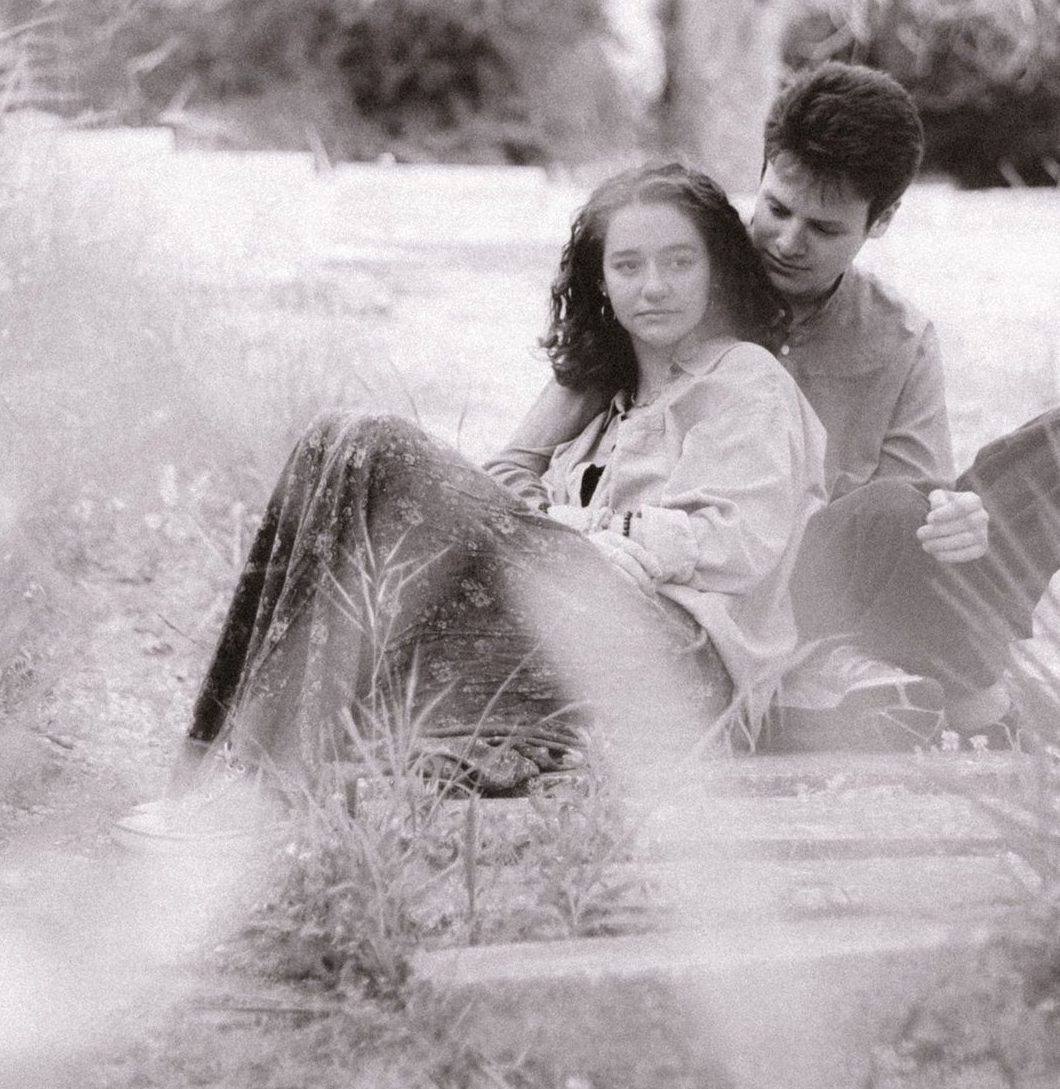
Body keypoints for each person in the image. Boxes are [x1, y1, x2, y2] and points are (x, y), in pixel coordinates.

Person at [154, 162, 825, 813]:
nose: (655, 285)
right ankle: (229, 763)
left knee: (372, 443)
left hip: (680, 666)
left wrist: (589, 534)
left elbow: (738, 540)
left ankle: (250, 783)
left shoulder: (743, 378)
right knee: (331, 442)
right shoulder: (601, 401)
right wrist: (564, 503)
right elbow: (508, 491)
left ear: (717, 269)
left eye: (680, 262)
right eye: (628, 265)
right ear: (601, 280)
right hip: (580, 625)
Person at [496, 63, 1060, 746]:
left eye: (825, 228)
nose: (788, 241)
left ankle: (936, 664)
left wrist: (959, 521)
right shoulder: (673, 282)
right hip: (722, 580)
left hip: (850, 578)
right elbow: (508, 469)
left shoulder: (899, 338)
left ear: (880, 221)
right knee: (894, 518)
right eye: (776, 208)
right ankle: (974, 690)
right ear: (762, 176)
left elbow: (911, 515)